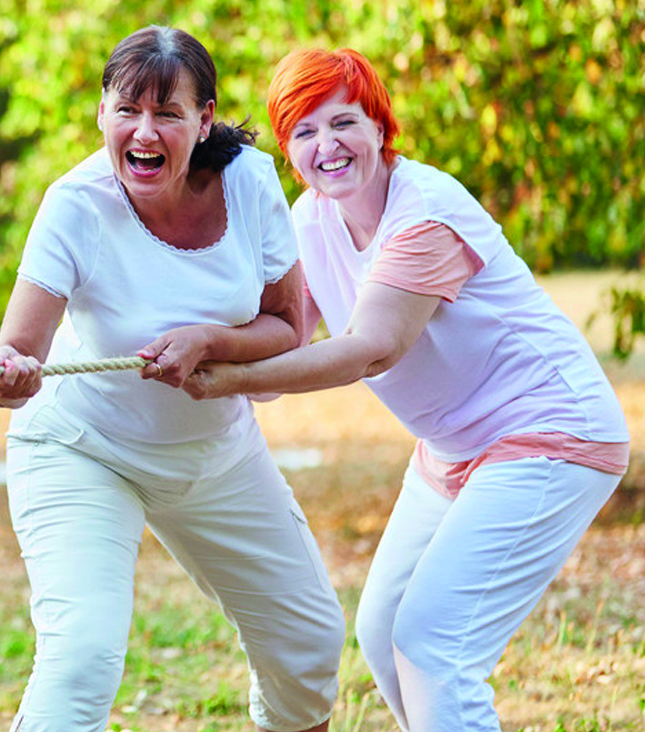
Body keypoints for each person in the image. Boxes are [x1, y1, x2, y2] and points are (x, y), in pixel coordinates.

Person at [183, 48, 630, 731]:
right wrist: (195, 348)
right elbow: (282, 340)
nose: (325, 146)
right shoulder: (310, 222)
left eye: (342, 124)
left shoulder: (424, 212)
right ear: (287, 150)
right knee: (385, 632)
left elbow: (371, 348)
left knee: (433, 644)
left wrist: (230, 376)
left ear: (379, 125)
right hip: (451, 447)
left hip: (550, 431)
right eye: (303, 131)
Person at [0, 25, 344, 732]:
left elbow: (287, 329)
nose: (143, 132)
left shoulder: (248, 180)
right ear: (101, 114)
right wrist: (10, 376)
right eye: (126, 110)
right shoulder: (74, 204)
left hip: (214, 454)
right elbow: (18, 350)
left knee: (307, 645)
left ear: (203, 120)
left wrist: (208, 340)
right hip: (83, 449)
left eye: (167, 114)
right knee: (80, 659)